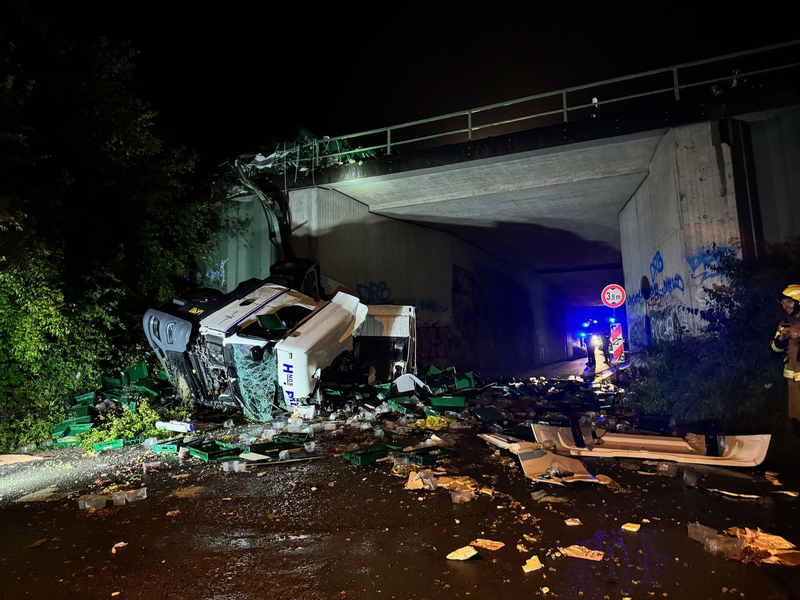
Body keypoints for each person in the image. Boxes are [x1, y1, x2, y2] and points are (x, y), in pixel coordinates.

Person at [771, 285, 800, 434]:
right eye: (783, 303)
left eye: (789, 301)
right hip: (792, 378)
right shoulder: (783, 324)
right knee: (796, 416)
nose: (785, 306)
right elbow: (774, 351)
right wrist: (781, 339)